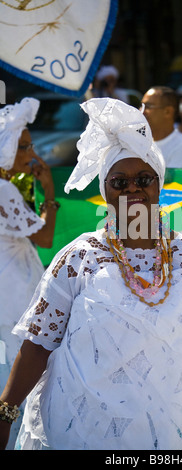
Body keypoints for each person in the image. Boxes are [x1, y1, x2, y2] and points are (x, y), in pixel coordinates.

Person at [1, 98, 182, 451]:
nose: (132, 189)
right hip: (88, 431)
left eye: (144, 179)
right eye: (119, 181)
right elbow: (38, 344)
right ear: (105, 190)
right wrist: (6, 411)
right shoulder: (79, 258)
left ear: (159, 186)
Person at [0, 97, 59, 449]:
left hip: (7, 283)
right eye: (22, 146)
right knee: (22, 366)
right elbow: (46, 236)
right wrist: (49, 191)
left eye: (30, 145)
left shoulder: (8, 186)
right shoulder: (5, 189)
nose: (31, 153)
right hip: (16, 288)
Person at [141, 86, 182, 169]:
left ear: (168, 112)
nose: (141, 111)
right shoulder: (137, 143)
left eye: (148, 106)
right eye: (141, 106)